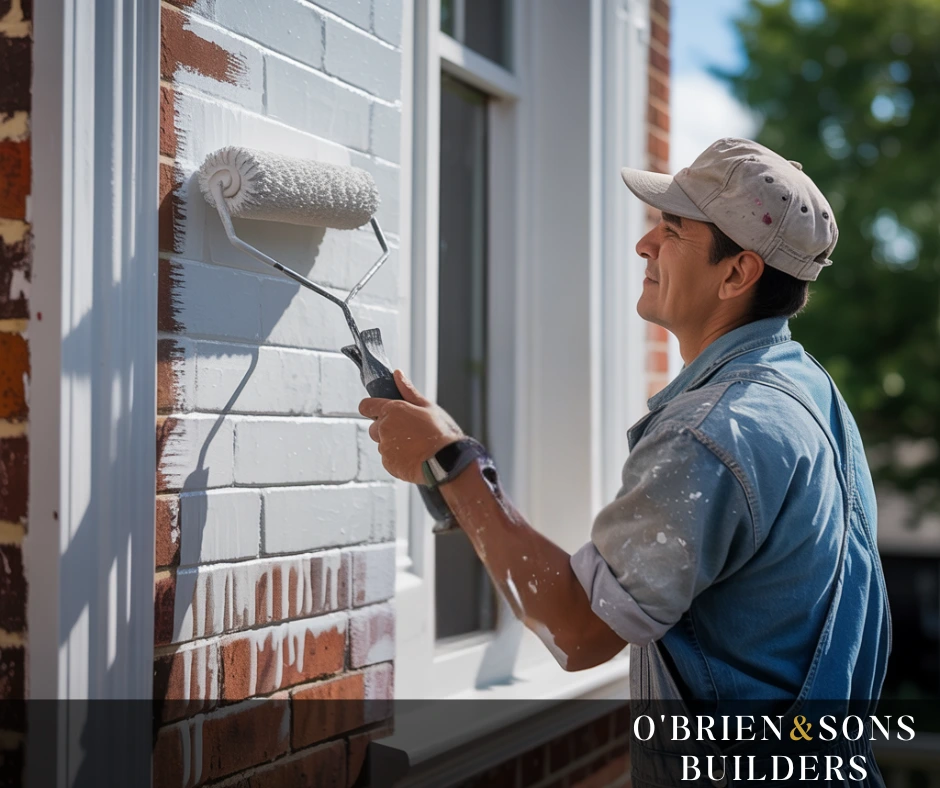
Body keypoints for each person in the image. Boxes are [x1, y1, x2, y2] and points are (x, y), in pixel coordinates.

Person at [360, 138, 891, 786]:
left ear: (736, 274)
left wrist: (452, 464)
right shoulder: (810, 394)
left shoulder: (714, 433)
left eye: (671, 230)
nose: (644, 244)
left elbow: (580, 630)